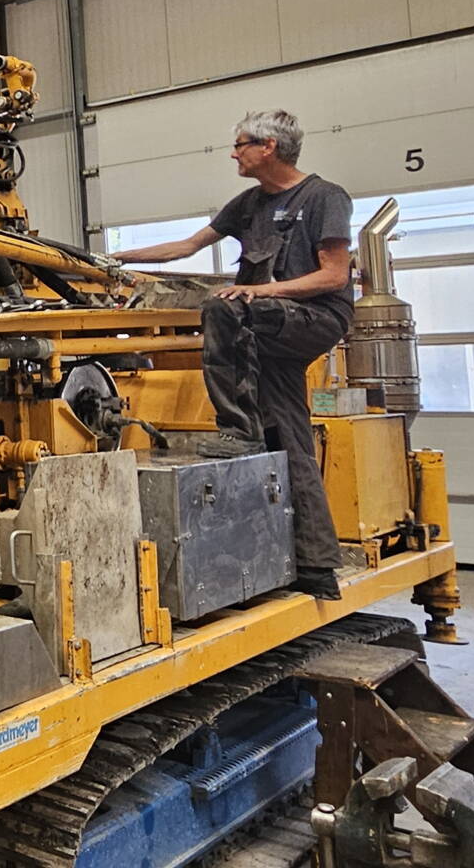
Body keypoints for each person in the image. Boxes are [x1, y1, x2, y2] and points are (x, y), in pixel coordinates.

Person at [113, 109, 355, 600]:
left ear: (269, 147)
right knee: (290, 435)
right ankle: (316, 566)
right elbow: (187, 246)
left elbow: (334, 276)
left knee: (223, 309)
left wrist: (261, 292)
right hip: (268, 324)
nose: (233, 154)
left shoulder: (324, 197)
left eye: (241, 144)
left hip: (314, 317)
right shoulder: (248, 204)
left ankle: (239, 430)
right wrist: (114, 259)